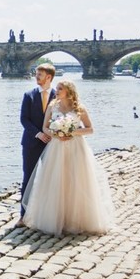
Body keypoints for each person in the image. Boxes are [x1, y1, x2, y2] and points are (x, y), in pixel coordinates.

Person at [22, 80, 115, 236]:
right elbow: (45, 127)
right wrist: (57, 134)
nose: (56, 91)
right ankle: (57, 218)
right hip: (56, 148)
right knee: (57, 181)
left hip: (76, 148)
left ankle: (76, 219)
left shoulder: (79, 108)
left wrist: (71, 132)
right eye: (57, 88)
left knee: (76, 181)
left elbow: (90, 129)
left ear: (69, 91)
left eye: (60, 88)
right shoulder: (52, 106)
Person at [19, 63, 56, 222]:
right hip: (31, 143)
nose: (36, 77)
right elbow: (24, 120)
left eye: (39, 75)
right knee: (28, 178)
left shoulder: (58, 96)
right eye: (36, 74)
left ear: (49, 77)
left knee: (51, 179)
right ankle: (23, 215)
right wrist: (39, 134)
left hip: (53, 144)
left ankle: (46, 215)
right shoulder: (29, 95)